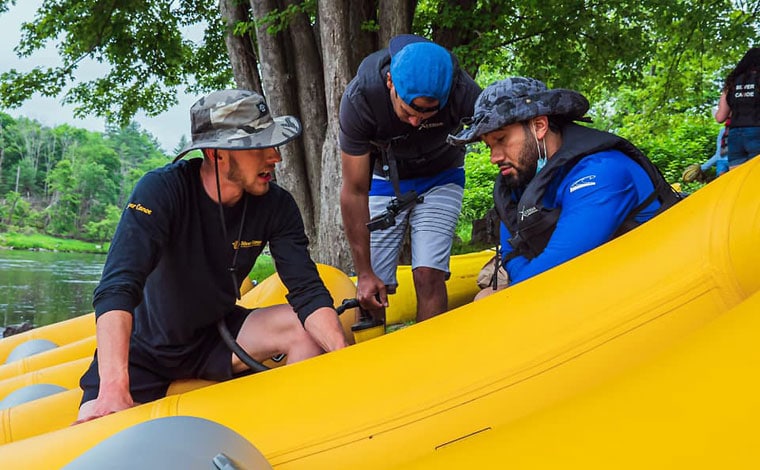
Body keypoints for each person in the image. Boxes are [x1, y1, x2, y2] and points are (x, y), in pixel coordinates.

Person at [76, 90, 348, 423]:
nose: (275, 157)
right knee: (96, 424)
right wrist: (114, 388)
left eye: (273, 144)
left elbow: (306, 289)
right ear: (216, 154)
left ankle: (290, 430)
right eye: (259, 146)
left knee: (306, 331)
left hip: (215, 334)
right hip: (144, 348)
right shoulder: (162, 190)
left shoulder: (277, 205)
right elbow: (117, 286)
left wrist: (342, 360)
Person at [448, 77, 681, 299]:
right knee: (485, 297)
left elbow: (554, 270)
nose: (494, 157)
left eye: (501, 140)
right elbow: (512, 253)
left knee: (490, 300)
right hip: (587, 282)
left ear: (539, 126)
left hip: (647, 284)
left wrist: (513, 289)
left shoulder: (602, 171)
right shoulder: (521, 179)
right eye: (489, 146)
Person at [339, 34, 481, 324]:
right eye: (410, 110)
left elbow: (502, 138)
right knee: (373, 286)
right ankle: (370, 359)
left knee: (429, 274)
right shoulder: (359, 100)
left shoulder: (464, 91)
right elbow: (354, 191)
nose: (417, 122)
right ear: (390, 82)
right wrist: (364, 272)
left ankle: (431, 359)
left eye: (429, 113)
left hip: (442, 174)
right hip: (384, 178)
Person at [714, 47, 760, 169]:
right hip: (757, 132)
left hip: (734, 137)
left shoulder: (731, 83)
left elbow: (720, 117)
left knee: (738, 181)